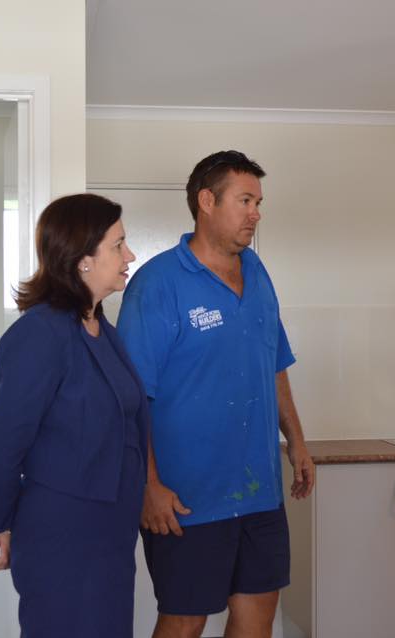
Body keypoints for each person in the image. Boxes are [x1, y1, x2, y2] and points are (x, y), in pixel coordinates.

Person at [117, 150, 316, 638]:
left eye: (259, 201)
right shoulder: (157, 285)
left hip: (259, 491)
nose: (256, 213)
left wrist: (298, 443)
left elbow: (274, 365)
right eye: (245, 200)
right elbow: (129, 398)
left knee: (257, 618)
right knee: (185, 620)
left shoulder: (259, 273)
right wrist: (148, 484)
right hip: (187, 498)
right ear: (207, 201)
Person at [0, 193, 148, 638]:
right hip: (62, 537)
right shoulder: (39, 335)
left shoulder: (100, 329)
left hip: (109, 533)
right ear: (82, 258)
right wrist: (5, 520)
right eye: (118, 244)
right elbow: (2, 446)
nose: (129, 255)